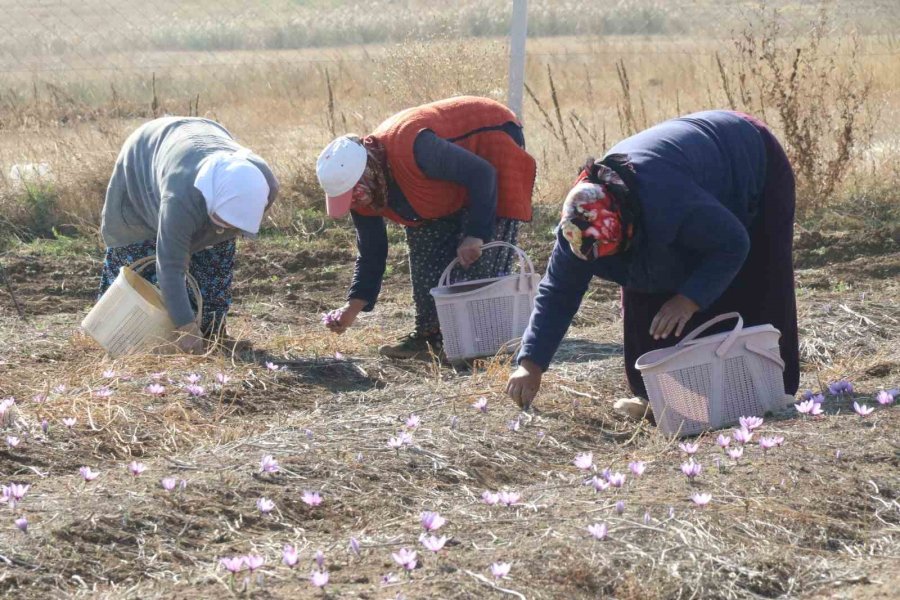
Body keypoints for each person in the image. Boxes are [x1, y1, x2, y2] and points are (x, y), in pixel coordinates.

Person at [506, 110, 800, 416]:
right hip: (687, 190)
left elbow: (733, 243)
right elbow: (557, 292)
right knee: (643, 282)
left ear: (626, 226)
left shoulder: (665, 199)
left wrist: (689, 299)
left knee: (755, 278)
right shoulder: (581, 225)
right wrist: (531, 365)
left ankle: (773, 388)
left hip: (751, 161)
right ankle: (656, 396)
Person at [316, 96, 537, 359]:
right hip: (443, 180)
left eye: (354, 193)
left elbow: (482, 174)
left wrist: (476, 234)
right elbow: (372, 251)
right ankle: (430, 338)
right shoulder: (365, 191)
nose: (354, 202)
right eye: (346, 198)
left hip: (491, 138)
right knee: (425, 251)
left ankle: (484, 345)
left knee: (478, 260)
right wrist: (352, 307)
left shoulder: (413, 147)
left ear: (366, 172)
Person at [98, 116, 279, 353]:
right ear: (211, 201)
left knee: (214, 265)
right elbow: (170, 267)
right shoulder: (180, 199)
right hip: (144, 164)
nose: (224, 228)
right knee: (141, 275)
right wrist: (186, 327)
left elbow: (227, 225)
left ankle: (213, 334)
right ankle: (125, 344)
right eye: (221, 219)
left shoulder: (264, 185)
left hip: (202, 139)